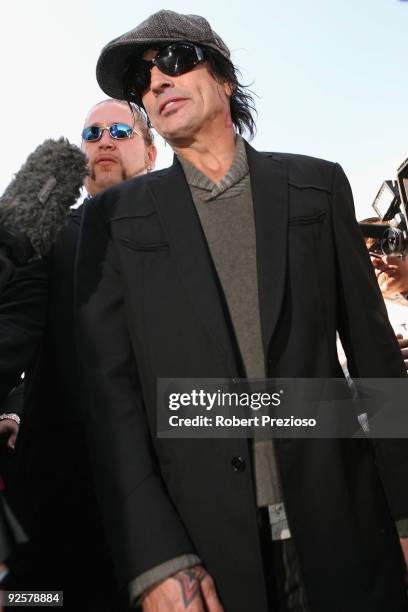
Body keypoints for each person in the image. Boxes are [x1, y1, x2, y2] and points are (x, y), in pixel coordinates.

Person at [75, 10, 408, 612]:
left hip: (347, 533)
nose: (156, 83)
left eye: (173, 61)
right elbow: (110, 399)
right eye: (141, 82)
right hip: (207, 558)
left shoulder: (317, 187)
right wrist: (155, 556)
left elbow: (375, 358)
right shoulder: (115, 221)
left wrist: (406, 511)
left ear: (225, 78)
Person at [0, 99, 156, 610]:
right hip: (56, 505)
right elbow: (14, 332)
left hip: (165, 508)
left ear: (151, 151)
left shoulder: (187, 241)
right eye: (92, 134)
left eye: (118, 130)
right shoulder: (47, 239)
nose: (104, 140)